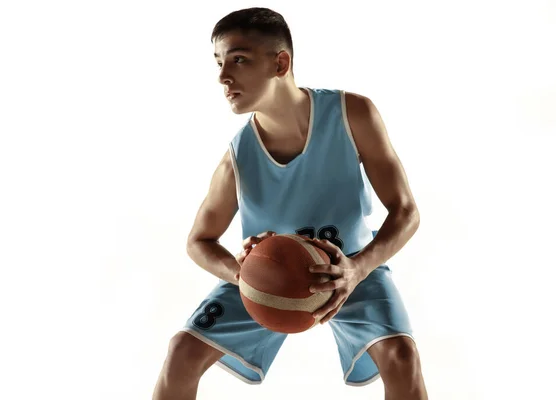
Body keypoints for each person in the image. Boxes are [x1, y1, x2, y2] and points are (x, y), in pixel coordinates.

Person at [152, 7, 428, 400]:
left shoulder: (353, 114)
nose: (222, 76)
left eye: (239, 59)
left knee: (401, 356)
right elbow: (198, 240)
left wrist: (357, 268)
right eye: (218, 62)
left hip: (348, 268)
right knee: (182, 351)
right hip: (269, 275)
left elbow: (406, 211)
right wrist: (241, 274)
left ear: (280, 62)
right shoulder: (238, 157)